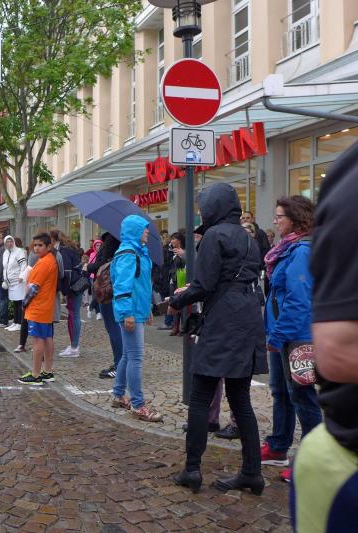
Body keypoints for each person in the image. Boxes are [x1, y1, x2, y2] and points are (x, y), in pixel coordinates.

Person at [169, 182, 267, 495]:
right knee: (241, 399)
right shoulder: (249, 237)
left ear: (214, 206)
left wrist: (177, 299)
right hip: (247, 316)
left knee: (200, 396)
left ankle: (192, 469)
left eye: (203, 207)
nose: (201, 213)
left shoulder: (214, 235)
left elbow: (204, 284)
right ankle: (252, 472)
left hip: (224, 319)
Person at [292, 138, 358, 532]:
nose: (276, 222)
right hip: (346, 463)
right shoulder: (352, 180)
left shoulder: (294, 251)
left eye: (281, 216)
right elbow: (338, 348)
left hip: (288, 332)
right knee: (292, 395)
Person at [261, 196, 321, 484]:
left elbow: (298, 300)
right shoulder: (287, 249)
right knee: (281, 393)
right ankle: (278, 446)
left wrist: (278, 335)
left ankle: (313, 462)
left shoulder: (302, 251)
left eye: (279, 216)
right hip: (284, 335)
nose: (275, 221)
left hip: (297, 338)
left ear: (296, 219)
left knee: (303, 398)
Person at [110, 215, 163, 423]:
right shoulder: (129, 253)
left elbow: (141, 284)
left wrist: (146, 308)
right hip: (129, 311)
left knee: (128, 355)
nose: (147, 231)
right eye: (143, 228)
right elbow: (122, 286)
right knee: (135, 357)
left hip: (135, 309)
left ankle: (118, 394)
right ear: (134, 230)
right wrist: (128, 313)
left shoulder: (137, 252)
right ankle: (138, 405)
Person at [17, 232, 58, 386]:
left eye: (40, 245)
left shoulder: (43, 263)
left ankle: (35, 374)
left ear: (48, 246)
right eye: (35, 245)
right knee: (47, 338)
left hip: (38, 307)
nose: (36, 248)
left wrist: (24, 303)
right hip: (45, 307)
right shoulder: (50, 259)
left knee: (38, 340)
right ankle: (47, 371)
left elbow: (33, 288)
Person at [89, 232, 123, 378]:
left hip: (108, 290)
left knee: (113, 327)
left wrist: (88, 267)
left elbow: (102, 263)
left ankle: (119, 364)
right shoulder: (121, 240)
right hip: (112, 290)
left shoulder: (113, 238)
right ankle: (119, 363)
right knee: (114, 327)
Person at [51, 229, 84, 358]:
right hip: (77, 284)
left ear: (54, 239)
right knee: (74, 315)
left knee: (74, 315)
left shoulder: (64, 250)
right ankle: (74, 345)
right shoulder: (69, 248)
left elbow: (67, 273)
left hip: (73, 287)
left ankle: (74, 347)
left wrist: (64, 292)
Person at [15, 244, 39, 353]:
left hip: (34, 298)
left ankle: (35, 345)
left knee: (34, 322)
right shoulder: (30, 268)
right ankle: (22, 344)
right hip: (29, 297)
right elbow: (23, 277)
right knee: (26, 321)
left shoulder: (39, 266)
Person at [2, 235, 26, 332]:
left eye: (11, 241)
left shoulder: (19, 251)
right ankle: (15, 322)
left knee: (19, 302)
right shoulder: (5, 253)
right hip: (10, 282)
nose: (9, 243)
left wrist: (22, 276)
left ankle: (19, 323)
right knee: (15, 303)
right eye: (7, 242)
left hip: (18, 281)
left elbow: (23, 264)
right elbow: (5, 268)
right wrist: (5, 279)